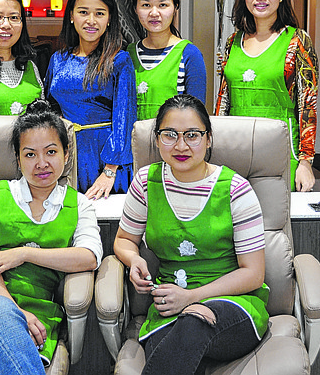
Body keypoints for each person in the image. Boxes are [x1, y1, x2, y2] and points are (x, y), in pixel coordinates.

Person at [0, 100, 102, 374]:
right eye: (30, 154)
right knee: (0, 316)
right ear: (17, 156)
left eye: (51, 152)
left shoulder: (80, 205)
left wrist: (23, 253)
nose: (41, 163)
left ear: (66, 152)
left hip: (37, 319)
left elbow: (89, 257)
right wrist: (17, 315)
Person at [114, 94, 269, 375]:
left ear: (208, 139)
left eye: (192, 135)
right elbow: (125, 240)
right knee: (177, 347)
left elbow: (253, 273)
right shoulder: (145, 183)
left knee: (195, 321)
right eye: (170, 135)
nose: (181, 145)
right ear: (157, 139)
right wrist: (134, 260)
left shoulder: (236, 189)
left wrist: (192, 297)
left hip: (233, 303)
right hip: (168, 306)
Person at [215, 0, 319, 192]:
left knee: (274, 224)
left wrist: (306, 162)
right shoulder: (233, 41)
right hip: (234, 148)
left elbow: (308, 105)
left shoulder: (297, 41)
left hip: (280, 151)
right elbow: (223, 101)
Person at [44, 0, 136, 199]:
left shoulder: (119, 60)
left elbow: (124, 117)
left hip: (105, 156)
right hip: (65, 153)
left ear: (109, 18)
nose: (91, 21)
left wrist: (110, 169)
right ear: (71, 16)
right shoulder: (58, 59)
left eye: (100, 13)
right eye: (83, 12)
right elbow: (49, 108)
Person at [127, 0, 206, 120]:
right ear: (135, 8)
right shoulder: (128, 54)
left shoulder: (189, 54)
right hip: (134, 141)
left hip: (174, 141)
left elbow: (197, 115)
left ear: (175, 7)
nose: (154, 13)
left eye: (163, 5)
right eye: (146, 5)